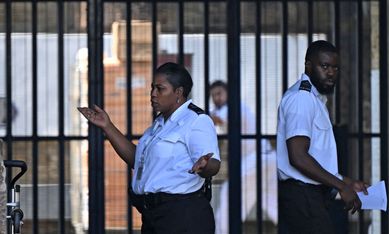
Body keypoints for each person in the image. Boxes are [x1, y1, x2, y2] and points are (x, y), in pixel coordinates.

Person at [78, 62, 221, 234]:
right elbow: (138, 161)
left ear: (178, 92)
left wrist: (205, 166)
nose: (153, 94)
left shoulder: (196, 120)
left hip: (182, 217)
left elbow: (212, 164)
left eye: (160, 89)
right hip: (154, 216)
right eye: (152, 88)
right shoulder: (159, 124)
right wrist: (107, 126)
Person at [276, 40, 369, 234]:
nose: (331, 73)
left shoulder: (315, 100)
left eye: (335, 68)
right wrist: (341, 186)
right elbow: (298, 157)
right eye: (324, 66)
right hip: (303, 197)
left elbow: (315, 158)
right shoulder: (302, 99)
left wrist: (347, 182)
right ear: (308, 65)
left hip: (311, 197)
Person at [209, 80, 278, 234]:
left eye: (219, 93)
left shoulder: (232, 107)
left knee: (229, 193)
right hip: (268, 159)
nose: (216, 98)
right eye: (213, 95)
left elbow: (216, 119)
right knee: (272, 203)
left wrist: (195, 115)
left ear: (228, 94)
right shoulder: (233, 108)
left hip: (256, 160)